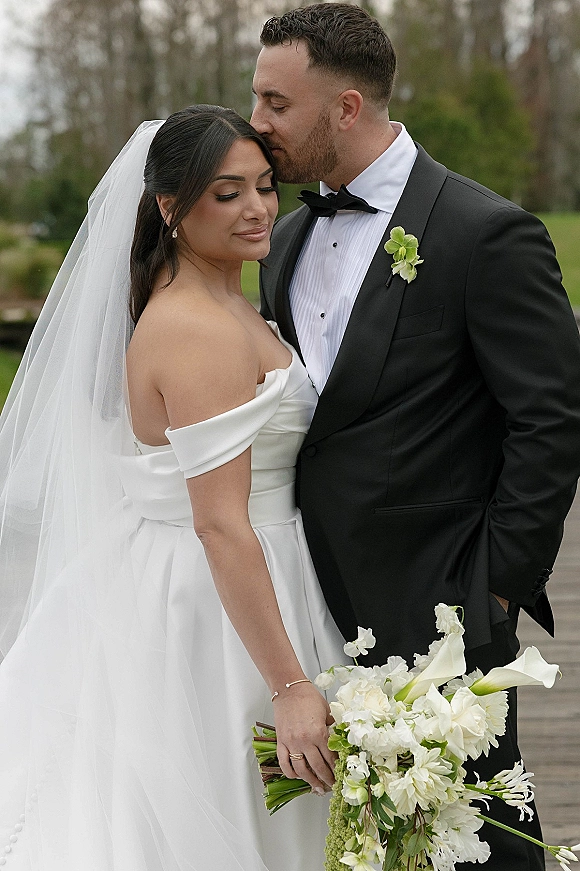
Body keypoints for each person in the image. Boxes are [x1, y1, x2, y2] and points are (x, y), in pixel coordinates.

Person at [251, 5, 580, 870]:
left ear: (346, 108)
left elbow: (549, 422)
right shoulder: (281, 239)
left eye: (276, 104)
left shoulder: (487, 233)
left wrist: (495, 591)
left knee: (480, 848)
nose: (257, 125)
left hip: (442, 611)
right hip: (308, 609)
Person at [0, 105, 347, 870]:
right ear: (169, 206)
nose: (257, 208)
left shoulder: (227, 299)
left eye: (263, 186)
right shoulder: (193, 326)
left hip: (253, 571)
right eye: (227, 193)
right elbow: (220, 522)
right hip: (215, 602)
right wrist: (289, 683)